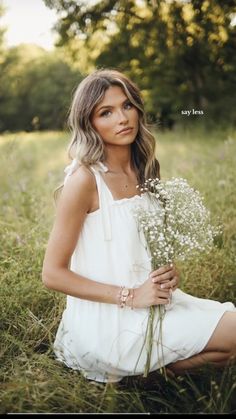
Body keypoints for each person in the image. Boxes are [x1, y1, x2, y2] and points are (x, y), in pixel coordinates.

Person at [42, 68, 236, 384]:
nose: (122, 118)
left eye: (127, 105)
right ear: (88, 123)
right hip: (111, 319)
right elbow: (52, 274)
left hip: (155, 303)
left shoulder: (143, 169)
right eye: (106, 112)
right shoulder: (84, 180)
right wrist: (130, 296)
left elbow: (133, 247)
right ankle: (130, 368)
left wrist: (165, 274)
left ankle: (149, 373)